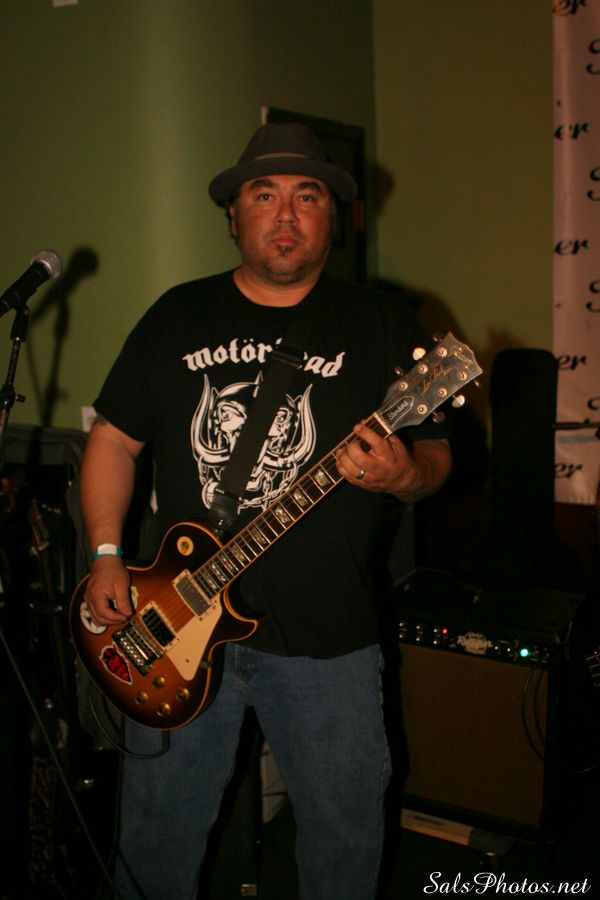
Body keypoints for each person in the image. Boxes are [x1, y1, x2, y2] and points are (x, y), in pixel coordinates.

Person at [81, 122, 452, 900]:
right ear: (233, 214)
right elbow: (113, 439)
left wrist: (403, 472)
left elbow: (438, 460)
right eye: (264, 195)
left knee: (344, 841)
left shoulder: (381, 323)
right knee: (155, 839)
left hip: (330, 643)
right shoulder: (177, 315)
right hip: (173, 625)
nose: (285, 215)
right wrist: (107, 554)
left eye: (306, 196)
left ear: (333, 217)